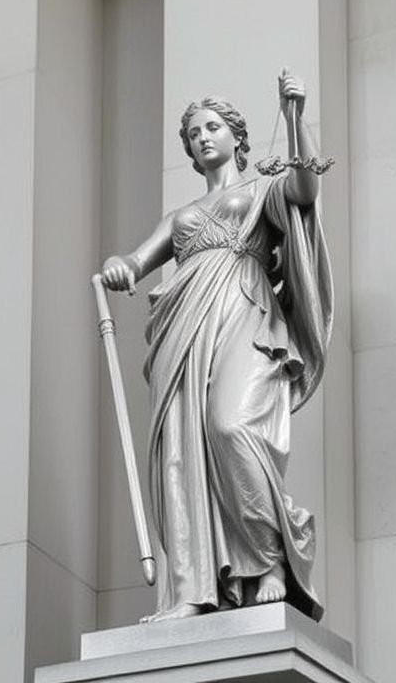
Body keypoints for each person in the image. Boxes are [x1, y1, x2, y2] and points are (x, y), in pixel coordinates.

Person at [101, 69, 332, 622]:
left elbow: (304, 188)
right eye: (193, 133)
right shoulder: (179, 217)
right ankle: (192, 591)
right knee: (181, 453)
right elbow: (137, 262)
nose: (202, 137)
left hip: (244, 313)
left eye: (212, 127)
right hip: (183, 329)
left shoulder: (259, 191)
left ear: (236, 136)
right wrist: (119, 266)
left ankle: (270, 558)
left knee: (231, 427)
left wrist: (296, 116)